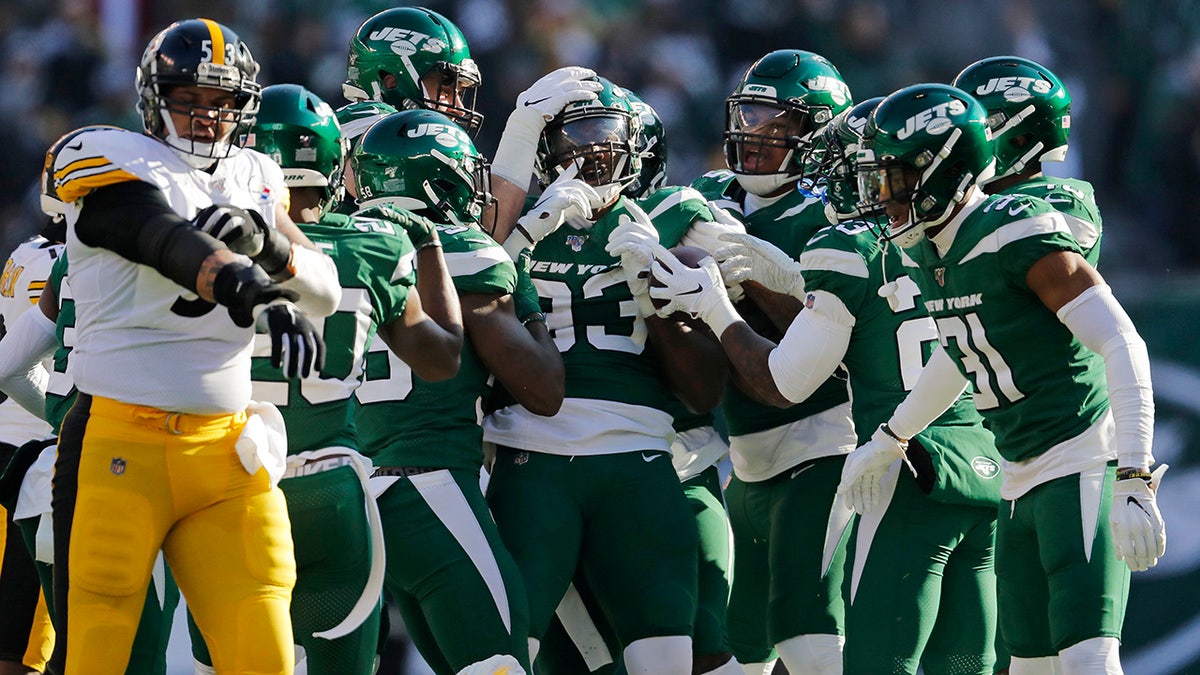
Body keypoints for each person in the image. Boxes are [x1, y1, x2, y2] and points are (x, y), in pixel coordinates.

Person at [655, 97, 1005, 673]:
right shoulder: (961, 241)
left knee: (860, 656)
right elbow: (952, 353)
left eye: (870, 173)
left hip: (887, 464)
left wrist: (718, 308)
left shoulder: (846, 244)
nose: (848, 188)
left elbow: (788, 379)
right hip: (972, 455)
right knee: (965, 662)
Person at [48, 18, 339, 674]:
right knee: (94, 655)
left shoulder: (256, 177)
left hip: (227, 453)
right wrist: (253, 289)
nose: (208, 117)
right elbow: (159, 236)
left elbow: (323, 290)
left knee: (263, 656)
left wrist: (269, 243)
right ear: (155, 99)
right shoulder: (109, 160)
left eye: (223, 102)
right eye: (190, 99)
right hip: (119, 443)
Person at [846, 83, 1162, 673]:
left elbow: (1122, 342)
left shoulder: (1013, 230)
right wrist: (891, 438)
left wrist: (1134, 473)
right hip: (1017, 475)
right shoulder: (929, 246)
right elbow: (962, 349)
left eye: (893, 179)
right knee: (1029, 666)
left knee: (1090, 660)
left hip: (1079, 459)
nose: (881, 197)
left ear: (941, 172)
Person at [186, 83, 465, 675]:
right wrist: (430, 243)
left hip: (229, 485)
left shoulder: (198, 240)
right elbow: (443, 359)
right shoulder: (376, 242)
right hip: (331, 492)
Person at [483, 75, 729, 675]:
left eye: (602, 140)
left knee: (673, 651)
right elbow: (471, 280)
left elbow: (739, 299)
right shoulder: (520, 221)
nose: (585, 156)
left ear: (636, 147)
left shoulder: (672, 214)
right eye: (570, 141)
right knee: (505, 653)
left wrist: (668, 278)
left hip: (640, 445)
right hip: (528, 449)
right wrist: (525, 233)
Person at [349, 108, 561, 675]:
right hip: (433, 489)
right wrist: (528, 298)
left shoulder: (349, 249)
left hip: (359, 494)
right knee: (501, 665)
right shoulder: (464, 254)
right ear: (438, 181)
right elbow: (544, 388)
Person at [689, 49, 855, 674]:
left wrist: (750, 270)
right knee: (740, 646)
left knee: (809, 631)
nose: (753, 138)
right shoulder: (707, 194)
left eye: (776, 127)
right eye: (749, 117)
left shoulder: (833, 213)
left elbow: (827, 333)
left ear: (817, 137)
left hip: (824, 437)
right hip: (746, 455)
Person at [0, 126, 185, 675]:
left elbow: (10, 364)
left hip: (33, 478)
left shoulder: (30, 255)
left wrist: (60, 415)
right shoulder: (120, 262)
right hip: (106, 471)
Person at [952, 55, 1102, 266]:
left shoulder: (1062, 204)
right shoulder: (960, 199)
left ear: (1020, 139)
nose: (963, 139)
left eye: (979, 128)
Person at [0, 221, 61, 675]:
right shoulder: (60, 262)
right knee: (24, 649)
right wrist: (65, 416)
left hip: (7, 442)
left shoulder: (26, 250)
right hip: (34, 456)